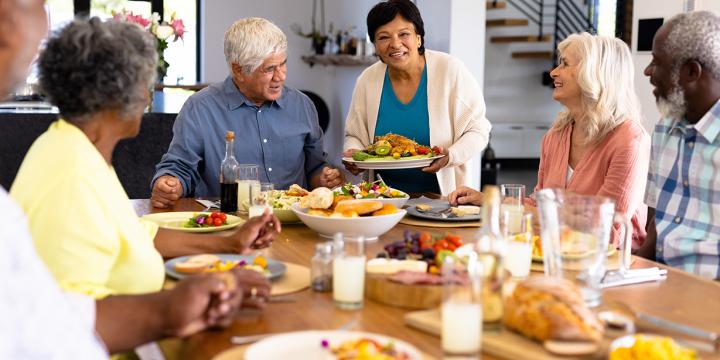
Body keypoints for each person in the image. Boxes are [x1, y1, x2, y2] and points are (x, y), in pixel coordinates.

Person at [0, 3, 264, 358]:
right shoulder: (70, 177)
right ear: (116, 95)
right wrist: (171, 308)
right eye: (144, 82)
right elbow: (61, 320)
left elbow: (134, 236)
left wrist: (229, 242)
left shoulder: (76, 147)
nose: (147, 94)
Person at [451, 33, 650, 248]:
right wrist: (487, 200)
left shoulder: (629, 139)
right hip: (556, 251)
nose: (553, 72)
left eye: (564, 64)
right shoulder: (557, 134)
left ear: (594, 74)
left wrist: (543, 211)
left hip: (615, 265)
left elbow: (607, 229)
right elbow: (536, 204)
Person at [151, 17, 344, 208]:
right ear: (238, 70)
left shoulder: (302, 105)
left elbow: (315, 168)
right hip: (228, 222)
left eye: (283, 64)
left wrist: (326, 179)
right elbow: (180, 166)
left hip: (294, 224)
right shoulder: (200, 107)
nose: (281, 76)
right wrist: (169, 183)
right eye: (269, 69)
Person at [343, 0, 490, 195]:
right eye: (384, 37)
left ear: (419, 38)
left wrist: (451, 156)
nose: (395, 44)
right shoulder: (367, 79)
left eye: (404, 34)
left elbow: (479, 130)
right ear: (376, 45)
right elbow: (354, 135)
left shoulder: (450, 70)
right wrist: (354, 155)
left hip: (442, 201)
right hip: (383, 199)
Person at [637, 11, 720, 280]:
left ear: (691, 72)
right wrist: (627, 272)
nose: (648, 71)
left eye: (657, 62)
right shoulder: (664, 129)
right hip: (660, 282)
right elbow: (656, 226)